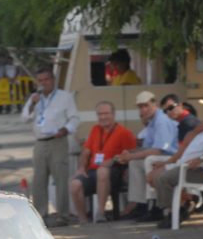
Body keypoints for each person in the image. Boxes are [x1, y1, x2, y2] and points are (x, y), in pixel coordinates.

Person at [148, 92, 203, 229]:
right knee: (156, 176)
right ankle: (183, 205)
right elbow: (186, 143)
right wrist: (197, 131)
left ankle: (173, 213)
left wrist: (200, 158)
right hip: (188, 166)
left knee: (162, 178)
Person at [21, 67, 79, 226]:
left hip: (58, 140)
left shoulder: (64, 97)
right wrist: (32, 104)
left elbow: (74, 118)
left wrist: (66, 129)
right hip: (40, 142)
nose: (43, 83)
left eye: (46, 80)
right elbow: (25, 118)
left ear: (53, 80)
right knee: (39, 179)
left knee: (60, 178)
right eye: (40, 81)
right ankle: (41, 215)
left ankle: (63, 215)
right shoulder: (36, 98)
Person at [69, 101, 137, 224]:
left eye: (106, 113)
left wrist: (112, 160)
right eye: (100, 114)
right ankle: (83, 219)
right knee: (74, 184)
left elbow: (131, 154)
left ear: (114, 114)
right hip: (93, 170)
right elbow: (85, 152)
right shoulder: (95, 129)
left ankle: (100, 213)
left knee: (102, 171)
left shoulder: (124, 133)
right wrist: (81, 168)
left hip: (114, 172)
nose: (103, 117)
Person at [116, 91, 180, 220]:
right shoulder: (153, 121)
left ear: (154, 104)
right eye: (140, 107)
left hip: (171, 158)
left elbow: (158, 150)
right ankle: (141, 204)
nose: (143, 109)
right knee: (136, 162)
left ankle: (156, 207)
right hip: (163, 156)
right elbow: (147, 147)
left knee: (147, 161)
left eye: (146, 105)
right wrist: (129, 154)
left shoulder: (161, 121)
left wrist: (131, 156)